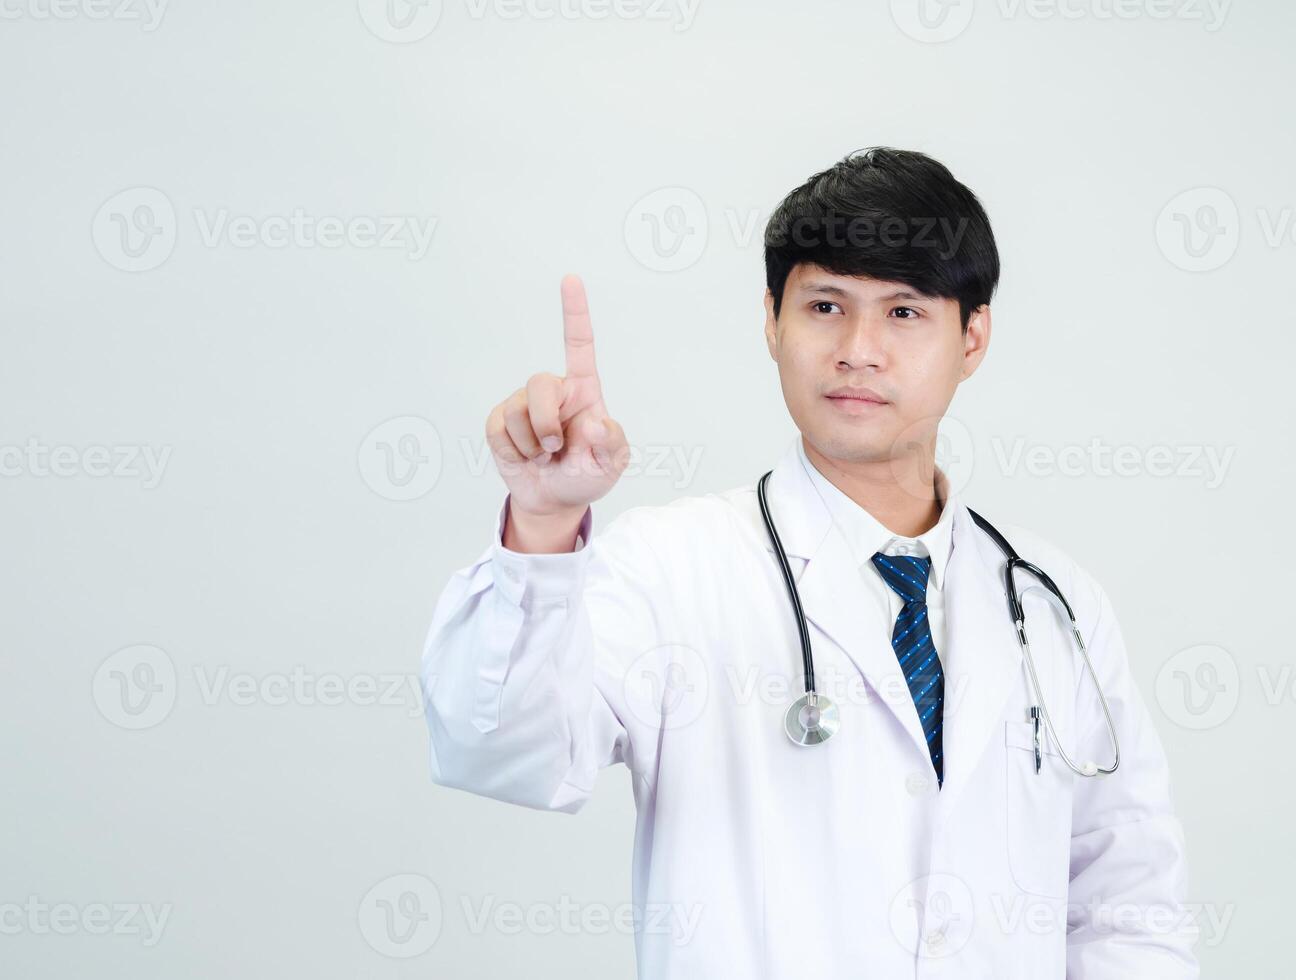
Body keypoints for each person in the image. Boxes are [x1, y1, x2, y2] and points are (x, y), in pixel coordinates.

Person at [419, 147, 1199, 978]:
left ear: (972, 338)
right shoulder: (669, 567)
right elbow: (501, 751)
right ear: (771, 321)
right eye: (826, 305)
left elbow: (1128, 903)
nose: (858, 350)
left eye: (904, 313)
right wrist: (542, 524)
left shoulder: (1053, 601)